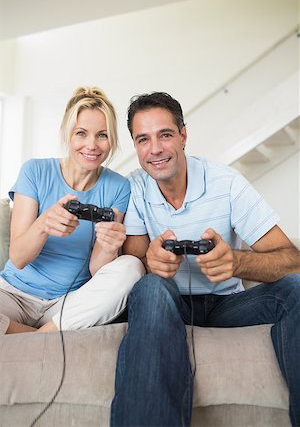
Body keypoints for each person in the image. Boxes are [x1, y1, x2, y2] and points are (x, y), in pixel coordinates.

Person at [110, 92, 300, 427]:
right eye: (143, 139)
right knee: (150, 288)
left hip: (228, 304)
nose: (154, 149)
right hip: (171, 305)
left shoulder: (226, 183)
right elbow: (133, 259)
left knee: (297, 287)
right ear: (135, 146)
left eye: (165, 135)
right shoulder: (135, 187)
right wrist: (150, 260)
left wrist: (237, 262)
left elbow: (292, 260)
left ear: (183, 136)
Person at [0, 86, 144, 335]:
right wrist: (44, 224)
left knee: (131, 266)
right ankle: (44, 338)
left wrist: (110, 247)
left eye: (102, 135)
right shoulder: (34, 171)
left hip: (67, 305)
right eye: (81, 133)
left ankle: (33, 335)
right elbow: (19, 258)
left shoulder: (119, 187)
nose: (92, 145)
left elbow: (98, 271)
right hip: (13, 294)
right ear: (67, 134)